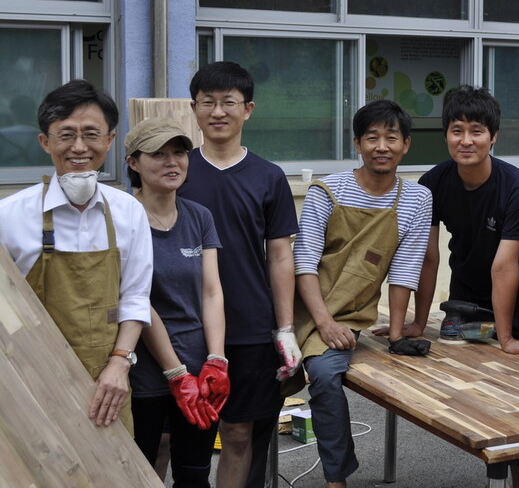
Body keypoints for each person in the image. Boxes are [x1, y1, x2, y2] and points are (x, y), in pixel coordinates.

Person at [291, 100, 431, 488]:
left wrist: (399, 333)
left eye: (391, 137)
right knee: (322, 373)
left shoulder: (417, 199)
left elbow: (404, 270)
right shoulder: (326, 191)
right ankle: (336, 477)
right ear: (357, 143)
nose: (381, 146)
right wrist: (323, 322)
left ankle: (335, 474)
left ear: (406, 145)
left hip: (353, 316)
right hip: (305, 309)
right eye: (372, 137)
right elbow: (303, 261)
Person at [0, 79, 152, 433]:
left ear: (110, 140)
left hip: (107, 383)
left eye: (91, 134)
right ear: (45, 142)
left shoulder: (128, 212)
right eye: (66, 134)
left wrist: (119, 363)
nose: (79, 147)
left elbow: (135, 296)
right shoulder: (9, 216)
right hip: (29, 379)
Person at [178, 62, 301, 488]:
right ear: (193, 109)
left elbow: (281, 257)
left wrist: (284, 329)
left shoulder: (269, 177)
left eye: (228, 102)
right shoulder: (177, 173)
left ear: (247, 109)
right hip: (186, 326)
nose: (217, 112)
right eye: (207, 102)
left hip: (250, 327)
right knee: (179, 436)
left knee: (238, 432)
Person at [407, 85, 519, 487]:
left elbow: (504, 267)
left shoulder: (515, 187)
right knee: (469, 395)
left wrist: (505, 337)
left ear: (493, 136)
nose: (466, 140)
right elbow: (427, 257)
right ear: (445, 134)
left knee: (516, 402)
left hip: (511, 298)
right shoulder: (433, 181)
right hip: (462, 297)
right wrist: (417, 321)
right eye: (457, 130)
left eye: (477, 131)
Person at [125, 118, 228, 486]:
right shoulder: (123, 216)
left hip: (200, 368)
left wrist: (216, 359)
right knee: (142, 468)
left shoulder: (199, 215)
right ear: (133, 163)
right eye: (158, 154)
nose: (172, 162)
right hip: (147, 370)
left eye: (179, 153)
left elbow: (211, 290)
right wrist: (175, 372)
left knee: (195, 472)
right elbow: (136, 298)